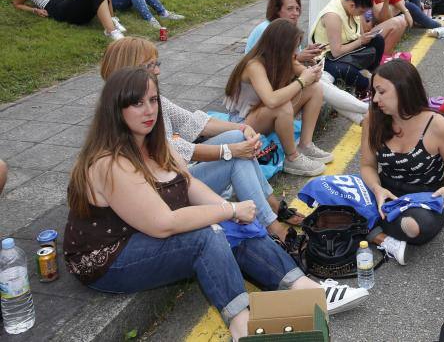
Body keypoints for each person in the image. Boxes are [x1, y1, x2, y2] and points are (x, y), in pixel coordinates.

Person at [64, 68, 368, 342]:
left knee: (229, 226)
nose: (149, 110)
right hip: (110, 257)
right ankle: (242, 326)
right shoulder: (109, 161)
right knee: (207, 235)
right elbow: (163, 224)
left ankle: (305, 289)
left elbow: (190, 184)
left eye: (154, 100)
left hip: (144, 234)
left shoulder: (154, 143)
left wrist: (233, 215)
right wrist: (229, 209)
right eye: (137, 103)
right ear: (115, 110)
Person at [98, 37, 300, 240]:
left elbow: (194, 122)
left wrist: (242, 126)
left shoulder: (148, 100)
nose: (158, 70)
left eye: (157, 63)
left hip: (172, 179)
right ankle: (272, 223)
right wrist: (229, 151)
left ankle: (270, 208)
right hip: (162, 195)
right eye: (151, 65)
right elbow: (171, 149)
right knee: (236, 158)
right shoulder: (127, 114)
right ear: (129, 69)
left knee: (238, 139)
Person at [360, 60, 444, 265]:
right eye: (375, 92)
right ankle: (383, 237)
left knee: (415, 227)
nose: (376, 100)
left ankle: (369, 229)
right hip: (385, 191)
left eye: (381, 92)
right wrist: (376, 188)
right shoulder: (373, 119)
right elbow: (367, 166)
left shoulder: (437, 125)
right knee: (334, 196)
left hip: (424, 197)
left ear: (403, 90)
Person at [224, 20, 333, 177]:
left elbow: (311, 81)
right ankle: (292, 158)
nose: (296, 52)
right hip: (242, 123)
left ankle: (305, 145)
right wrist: (302, 80)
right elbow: (272, 100)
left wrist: (312, 73)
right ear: (281, 46)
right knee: (282, 106)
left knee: (315, 89)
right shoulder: (254, 65)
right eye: (293, 47)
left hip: (261, 115)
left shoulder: (281, 59)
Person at [245, 0, 368, 125]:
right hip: (266, 88)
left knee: (321, 80)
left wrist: (305, 56)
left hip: (278, 80)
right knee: (319, 84)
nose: (296, 13)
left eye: (298, 9)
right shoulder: (268, 30)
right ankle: (368, 110)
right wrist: (300, 59)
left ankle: (363, 119)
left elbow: (289, 60)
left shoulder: (286, 29)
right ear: (277, 10)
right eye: (290, 9)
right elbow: (270, 64)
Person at [311, 0, 385, 94]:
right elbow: (336, 52)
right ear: (352, 5)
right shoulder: (333, 16)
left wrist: (363, 38)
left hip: (347, 48)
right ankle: (369, 85)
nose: (362, 15)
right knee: (347, 71)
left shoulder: (349, 4)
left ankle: (372, 75)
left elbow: (359, 35)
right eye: (361, 12)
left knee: (378, 40)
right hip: (328, 57)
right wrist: (360, 41)